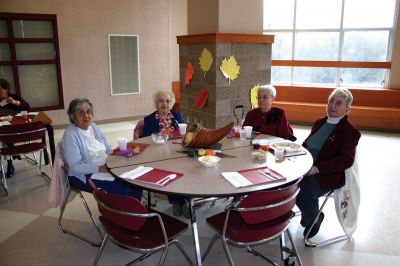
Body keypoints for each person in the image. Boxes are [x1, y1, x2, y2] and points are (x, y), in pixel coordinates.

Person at [296, 88, 361, 239]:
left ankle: (313, 219)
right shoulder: (320, 122)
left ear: (347, 109)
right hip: (306, 164)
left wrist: (317, 168)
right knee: (285, 183)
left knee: (303, 190)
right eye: (331, 101)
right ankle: (299, 211)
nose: (333, 105)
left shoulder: (350, 131)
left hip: (328, 173)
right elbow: (308, 144)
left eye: (338, 103)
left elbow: (346, 160)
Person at [61, 98, 142, 199]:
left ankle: (136, 212)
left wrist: (121, 154)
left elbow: (108, 150)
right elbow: (75, 166)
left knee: (134, 180)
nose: (86, 116)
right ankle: (120, 212)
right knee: (121, 185)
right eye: (81, 113)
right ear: (73, 117)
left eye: (88, 112)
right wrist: (100, 168)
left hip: (105, 165)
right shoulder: (71, 135)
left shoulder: (93, 126)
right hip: (84, 174)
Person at [141, 90, 187, 216]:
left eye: (167, 101)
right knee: (172, 169)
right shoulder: (149, 120)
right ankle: (177, 202)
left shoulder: (177, 116)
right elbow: (144, 141)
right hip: (159, 155)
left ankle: (186, 200)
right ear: (156, 103)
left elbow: (186, 134)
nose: (164, 104)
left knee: (187, 167)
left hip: (178, 151)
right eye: (161, 101)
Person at [0, 79, 31, 178]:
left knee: (6, 137)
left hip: (16, 128)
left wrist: (14, 102)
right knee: (5, 135)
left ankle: (10, 163)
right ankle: (13, 152)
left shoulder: (13, 97)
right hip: (3, 127)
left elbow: (27, 106)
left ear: (6, 89)